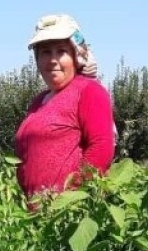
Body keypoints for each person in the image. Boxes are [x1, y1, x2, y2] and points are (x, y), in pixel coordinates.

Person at [14, 14, 116, 200]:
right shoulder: (38, 101)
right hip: (33, 216)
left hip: (67, 215)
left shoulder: (89, 91)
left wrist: (71, 198)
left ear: (76, 56)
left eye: (61, 51)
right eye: (45, 52)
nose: (53, 60)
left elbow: (101, 149)